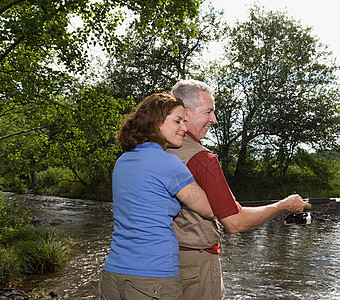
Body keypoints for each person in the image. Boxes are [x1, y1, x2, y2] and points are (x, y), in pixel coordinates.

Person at [167, 79, 312, 300]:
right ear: (185, 113)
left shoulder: (155, 149)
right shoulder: (203, 159)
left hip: (160, 263)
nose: (213, 119)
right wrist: (284, 206)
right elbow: (234, 223)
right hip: (196, 268)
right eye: (208, 112)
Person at [100, 93, 214, 300]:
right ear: (155, 123)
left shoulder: (123, 160)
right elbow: (210, 209)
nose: (184, 128)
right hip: (152, 277)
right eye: (177, 121)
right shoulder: (168, 163)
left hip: (113, 274)